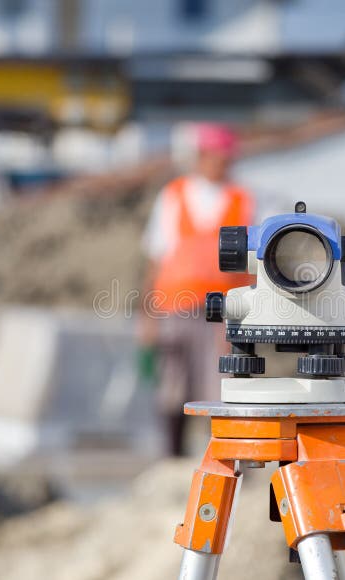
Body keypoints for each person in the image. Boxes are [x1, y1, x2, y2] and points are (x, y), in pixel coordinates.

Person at [141, 123, 254, 456]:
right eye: (220, 157)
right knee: (173, 386)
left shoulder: (241, 199)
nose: (226, 164)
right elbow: (156, 256)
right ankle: (172, 458)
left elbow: (250, 264)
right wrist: (147, 316)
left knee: (220, 387)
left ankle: (222, 458)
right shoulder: (174, 195)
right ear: (202, 157)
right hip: (175, 306)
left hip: (223, 311)